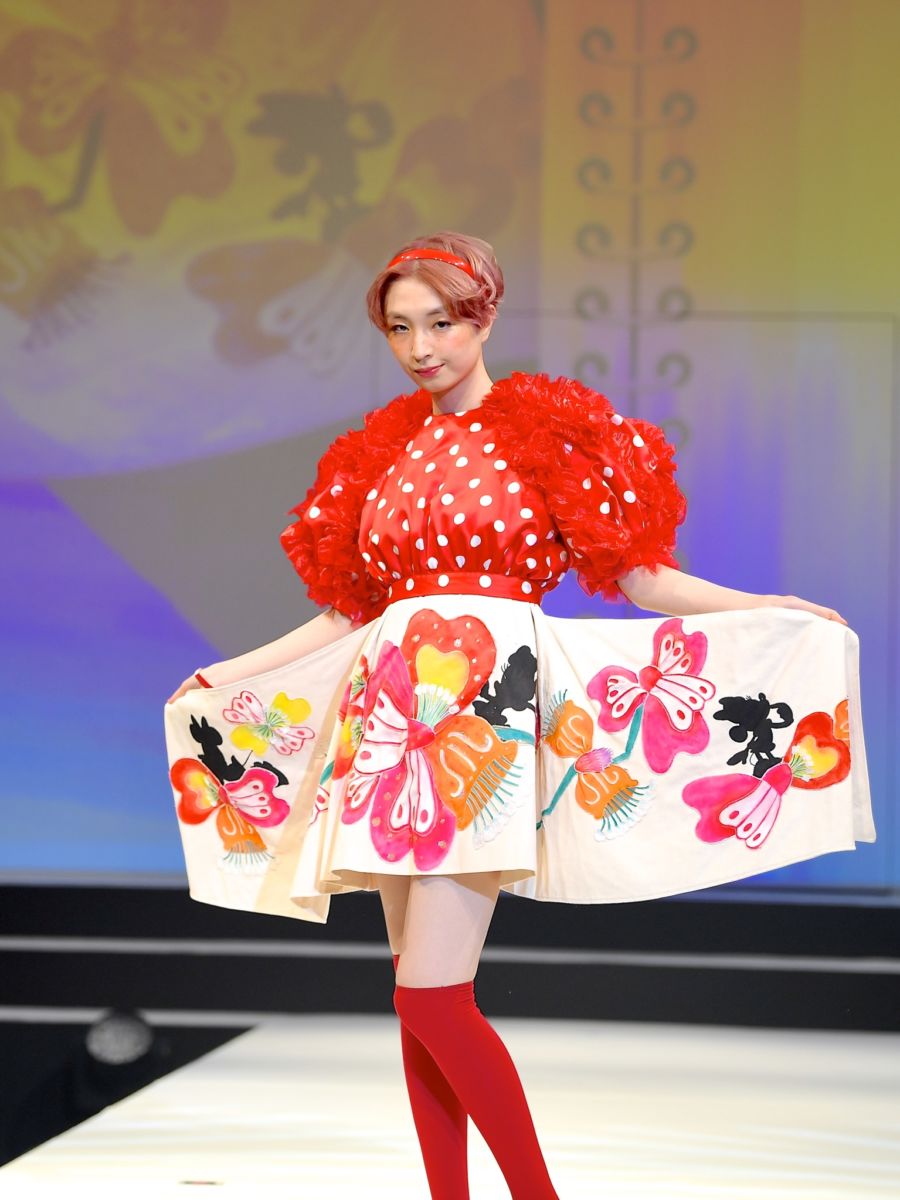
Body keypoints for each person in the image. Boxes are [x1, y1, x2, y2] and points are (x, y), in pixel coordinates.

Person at [164, 232, 873, 1200]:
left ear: (485, 317)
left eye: (441, 324)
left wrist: (763, 607)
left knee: (432, 996)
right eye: (400, 329)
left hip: (482, 718)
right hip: (390, 721)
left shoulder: (545, 433)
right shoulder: (381, 451)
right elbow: (349, 609)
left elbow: (637, 575)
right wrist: (225, 672)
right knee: (415, 998)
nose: (421, 348)